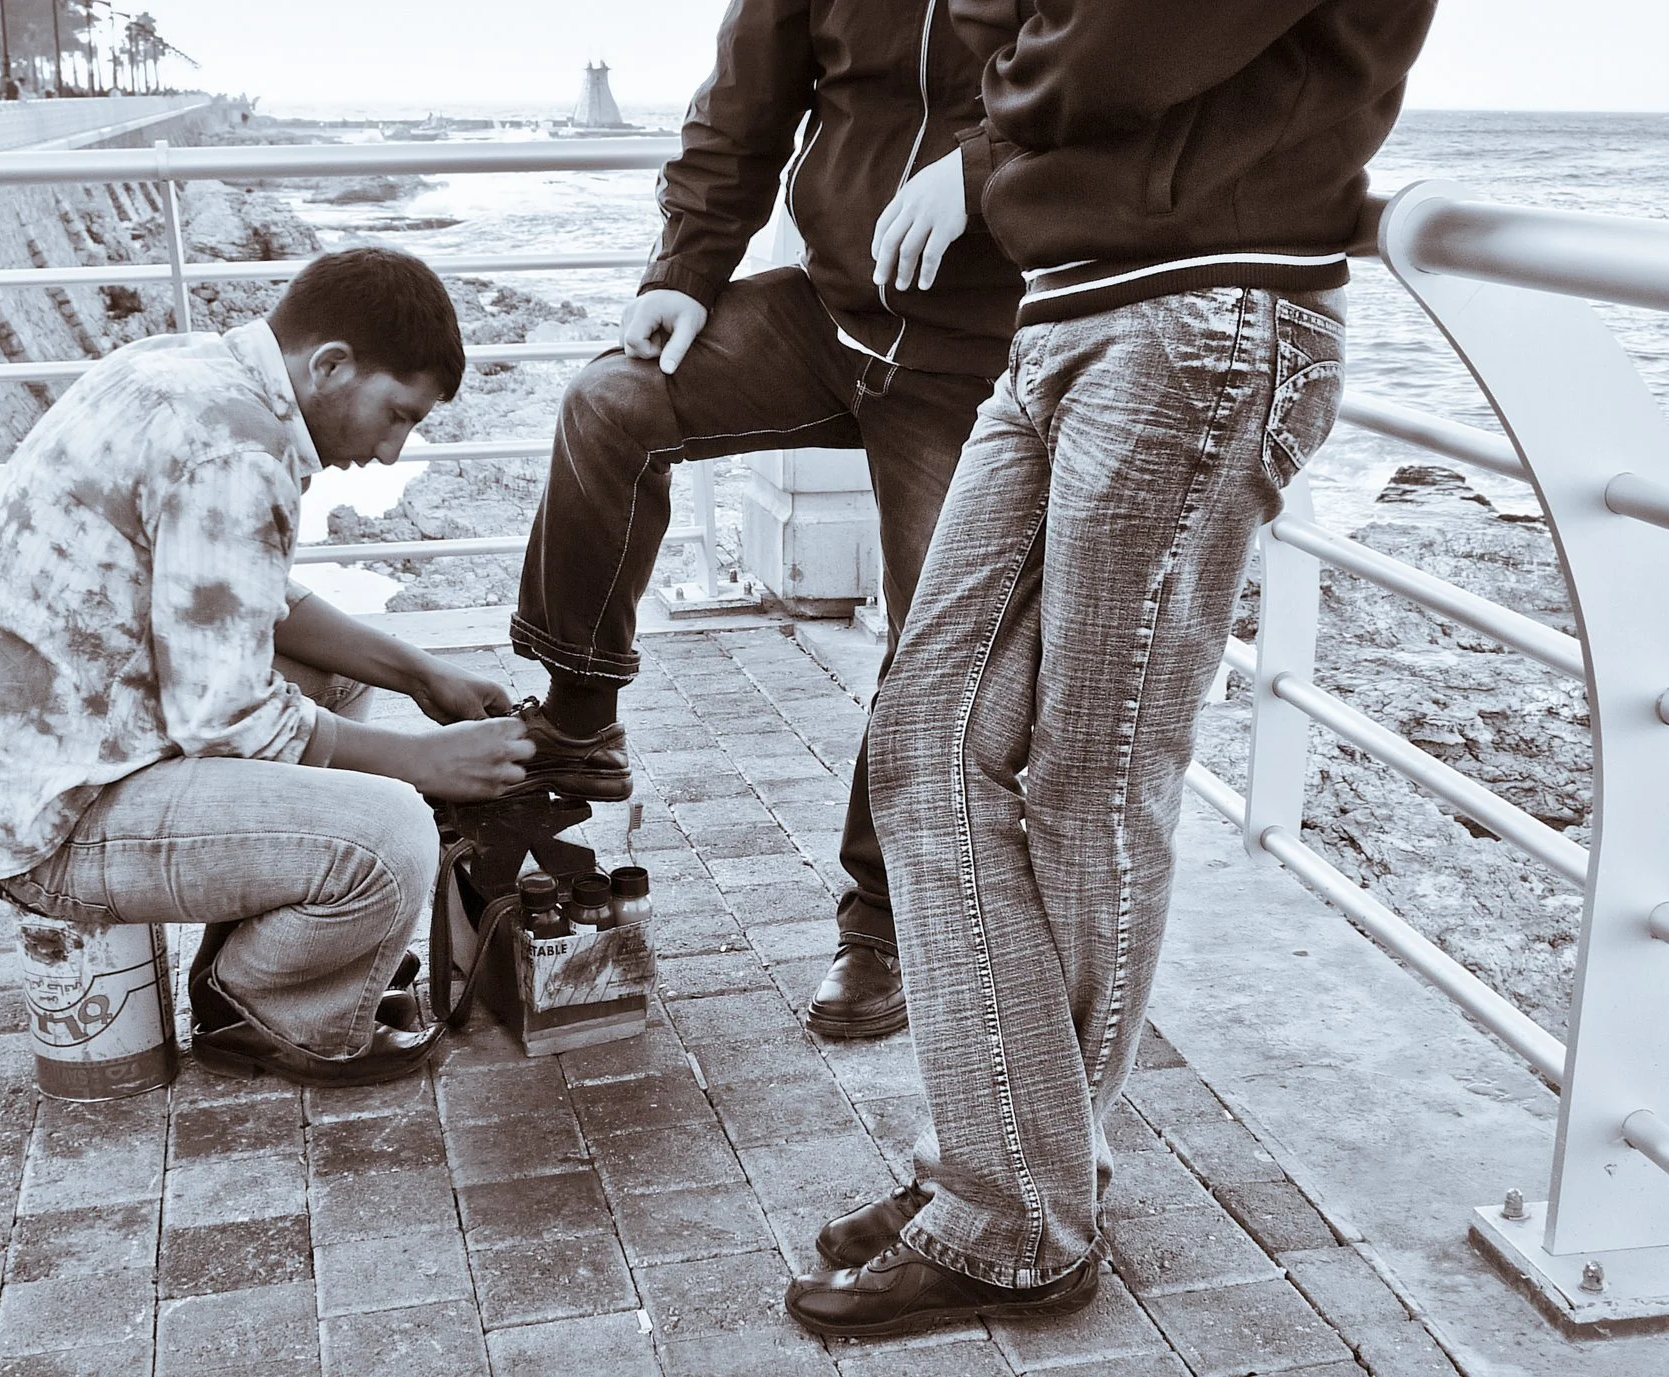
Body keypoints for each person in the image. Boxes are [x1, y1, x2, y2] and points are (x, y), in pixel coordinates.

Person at [783, 0, 1439, 1337]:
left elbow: (1115, 46)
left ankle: (1023, 1209)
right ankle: (1017, 1163)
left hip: (1200, 313)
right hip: (1073, 314)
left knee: (1092, 780)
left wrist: (1009, 101)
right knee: (924, 744)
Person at [0, 248, 535, 1087]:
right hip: (53, 826)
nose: (389, 452)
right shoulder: (238, 453)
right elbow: (229, 718)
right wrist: (425, 766)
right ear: (330, 365)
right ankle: (267, 1011)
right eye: (396, 415)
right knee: (394, 837)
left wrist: (421, 674)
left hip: (22, 770)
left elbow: (244, 596)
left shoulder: (187, 371)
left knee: (341, 680)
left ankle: (259, 959)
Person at [509, 0, 1022, 1040]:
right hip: (833, 314)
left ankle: (882, 921)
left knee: (933, 650)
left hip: (975, 348)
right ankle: (578, 719)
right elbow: (744, 103)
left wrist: (977, 166)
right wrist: (686, 269)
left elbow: (1103, 77)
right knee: (610, 406)